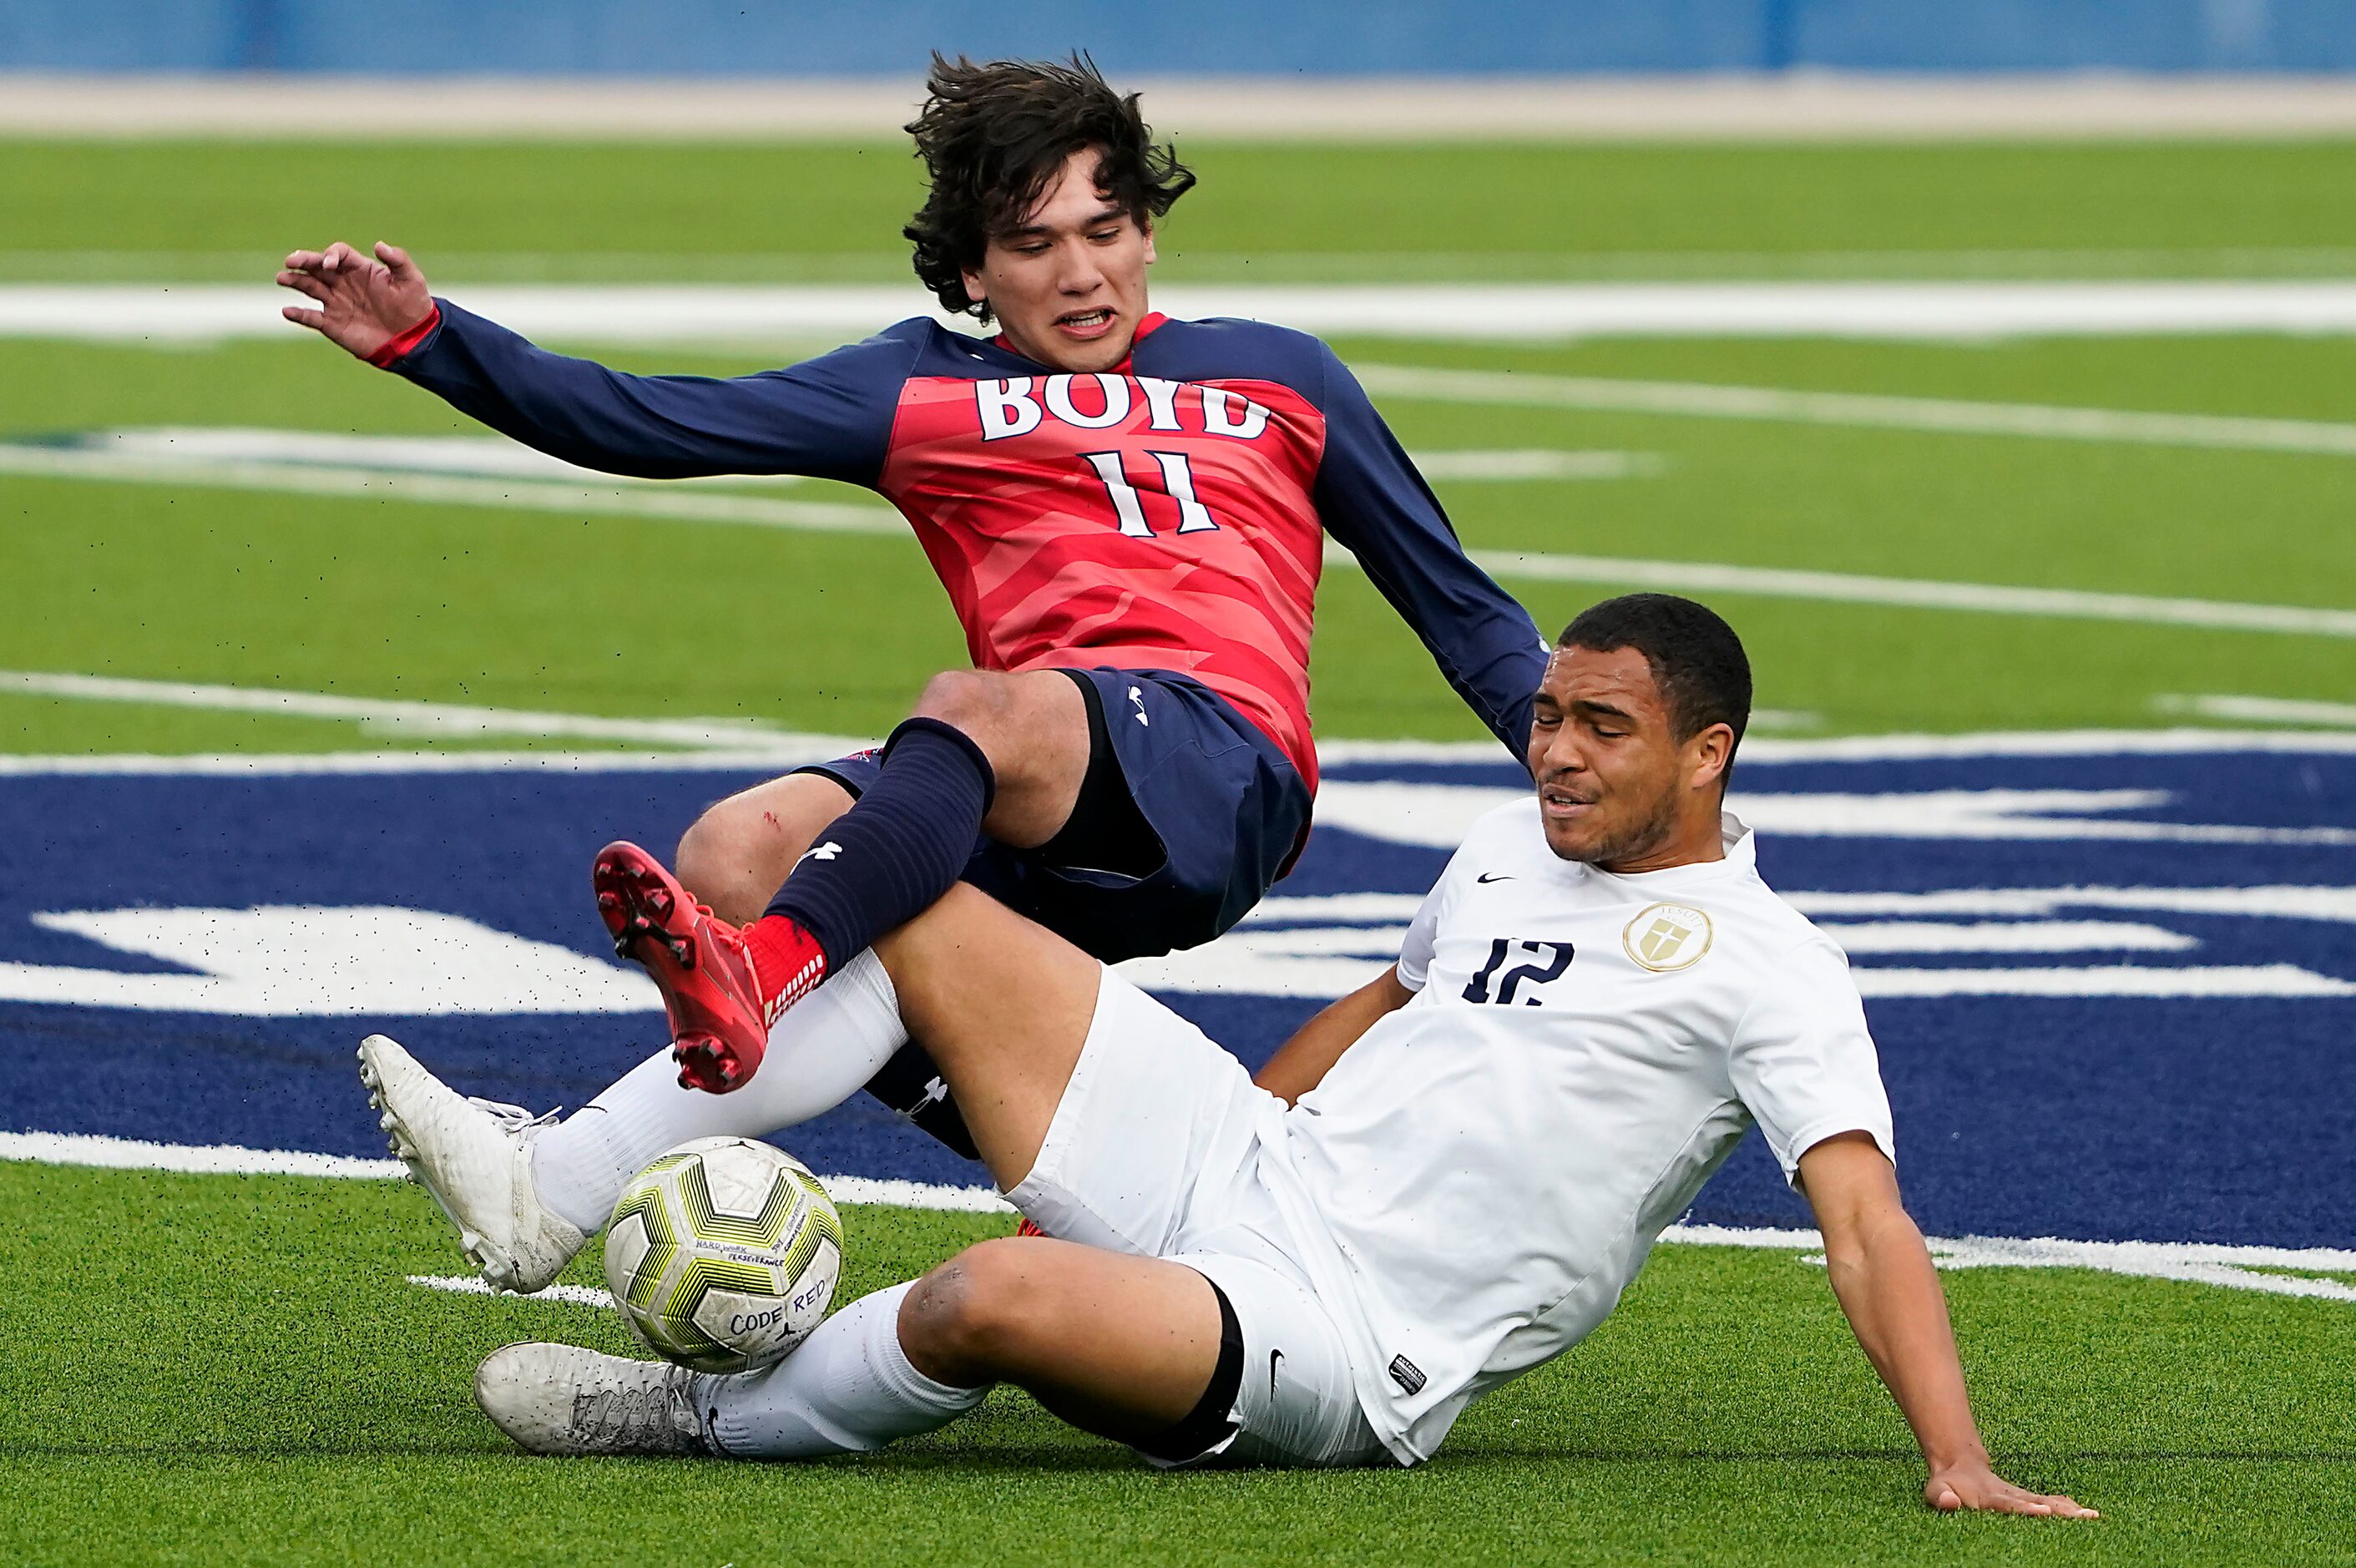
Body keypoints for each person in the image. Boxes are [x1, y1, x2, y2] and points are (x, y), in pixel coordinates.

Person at [364, 594, 2096, 1515]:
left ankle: (699, 1417)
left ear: (1706, 756)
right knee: (925, 915)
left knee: (989, 1303)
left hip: (1352, 1342)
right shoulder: (1505, 854)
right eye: (1548, 714)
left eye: (1601, 729)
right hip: (1248, 1169)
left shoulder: (1777, 969)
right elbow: (1389, 1005)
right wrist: (1207, 1135)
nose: (1551, 752)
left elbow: (1859, 1217)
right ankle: (549, 1193)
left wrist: (1952, 1455)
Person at [281, 53, 1549, 1196]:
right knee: (736, 850)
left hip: (1221, 772)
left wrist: (1596, 776)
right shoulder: (917, 387)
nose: (1080, 271)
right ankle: (1099, 1191)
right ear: (970, 272)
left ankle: (768, 968)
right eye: (1034, 244)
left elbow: (1460, 607)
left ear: (1150, 230)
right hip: (1033, 798)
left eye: (1104, 229)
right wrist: (431, 342)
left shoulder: (1284, 375)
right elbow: (651, 421)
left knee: (971, 708)